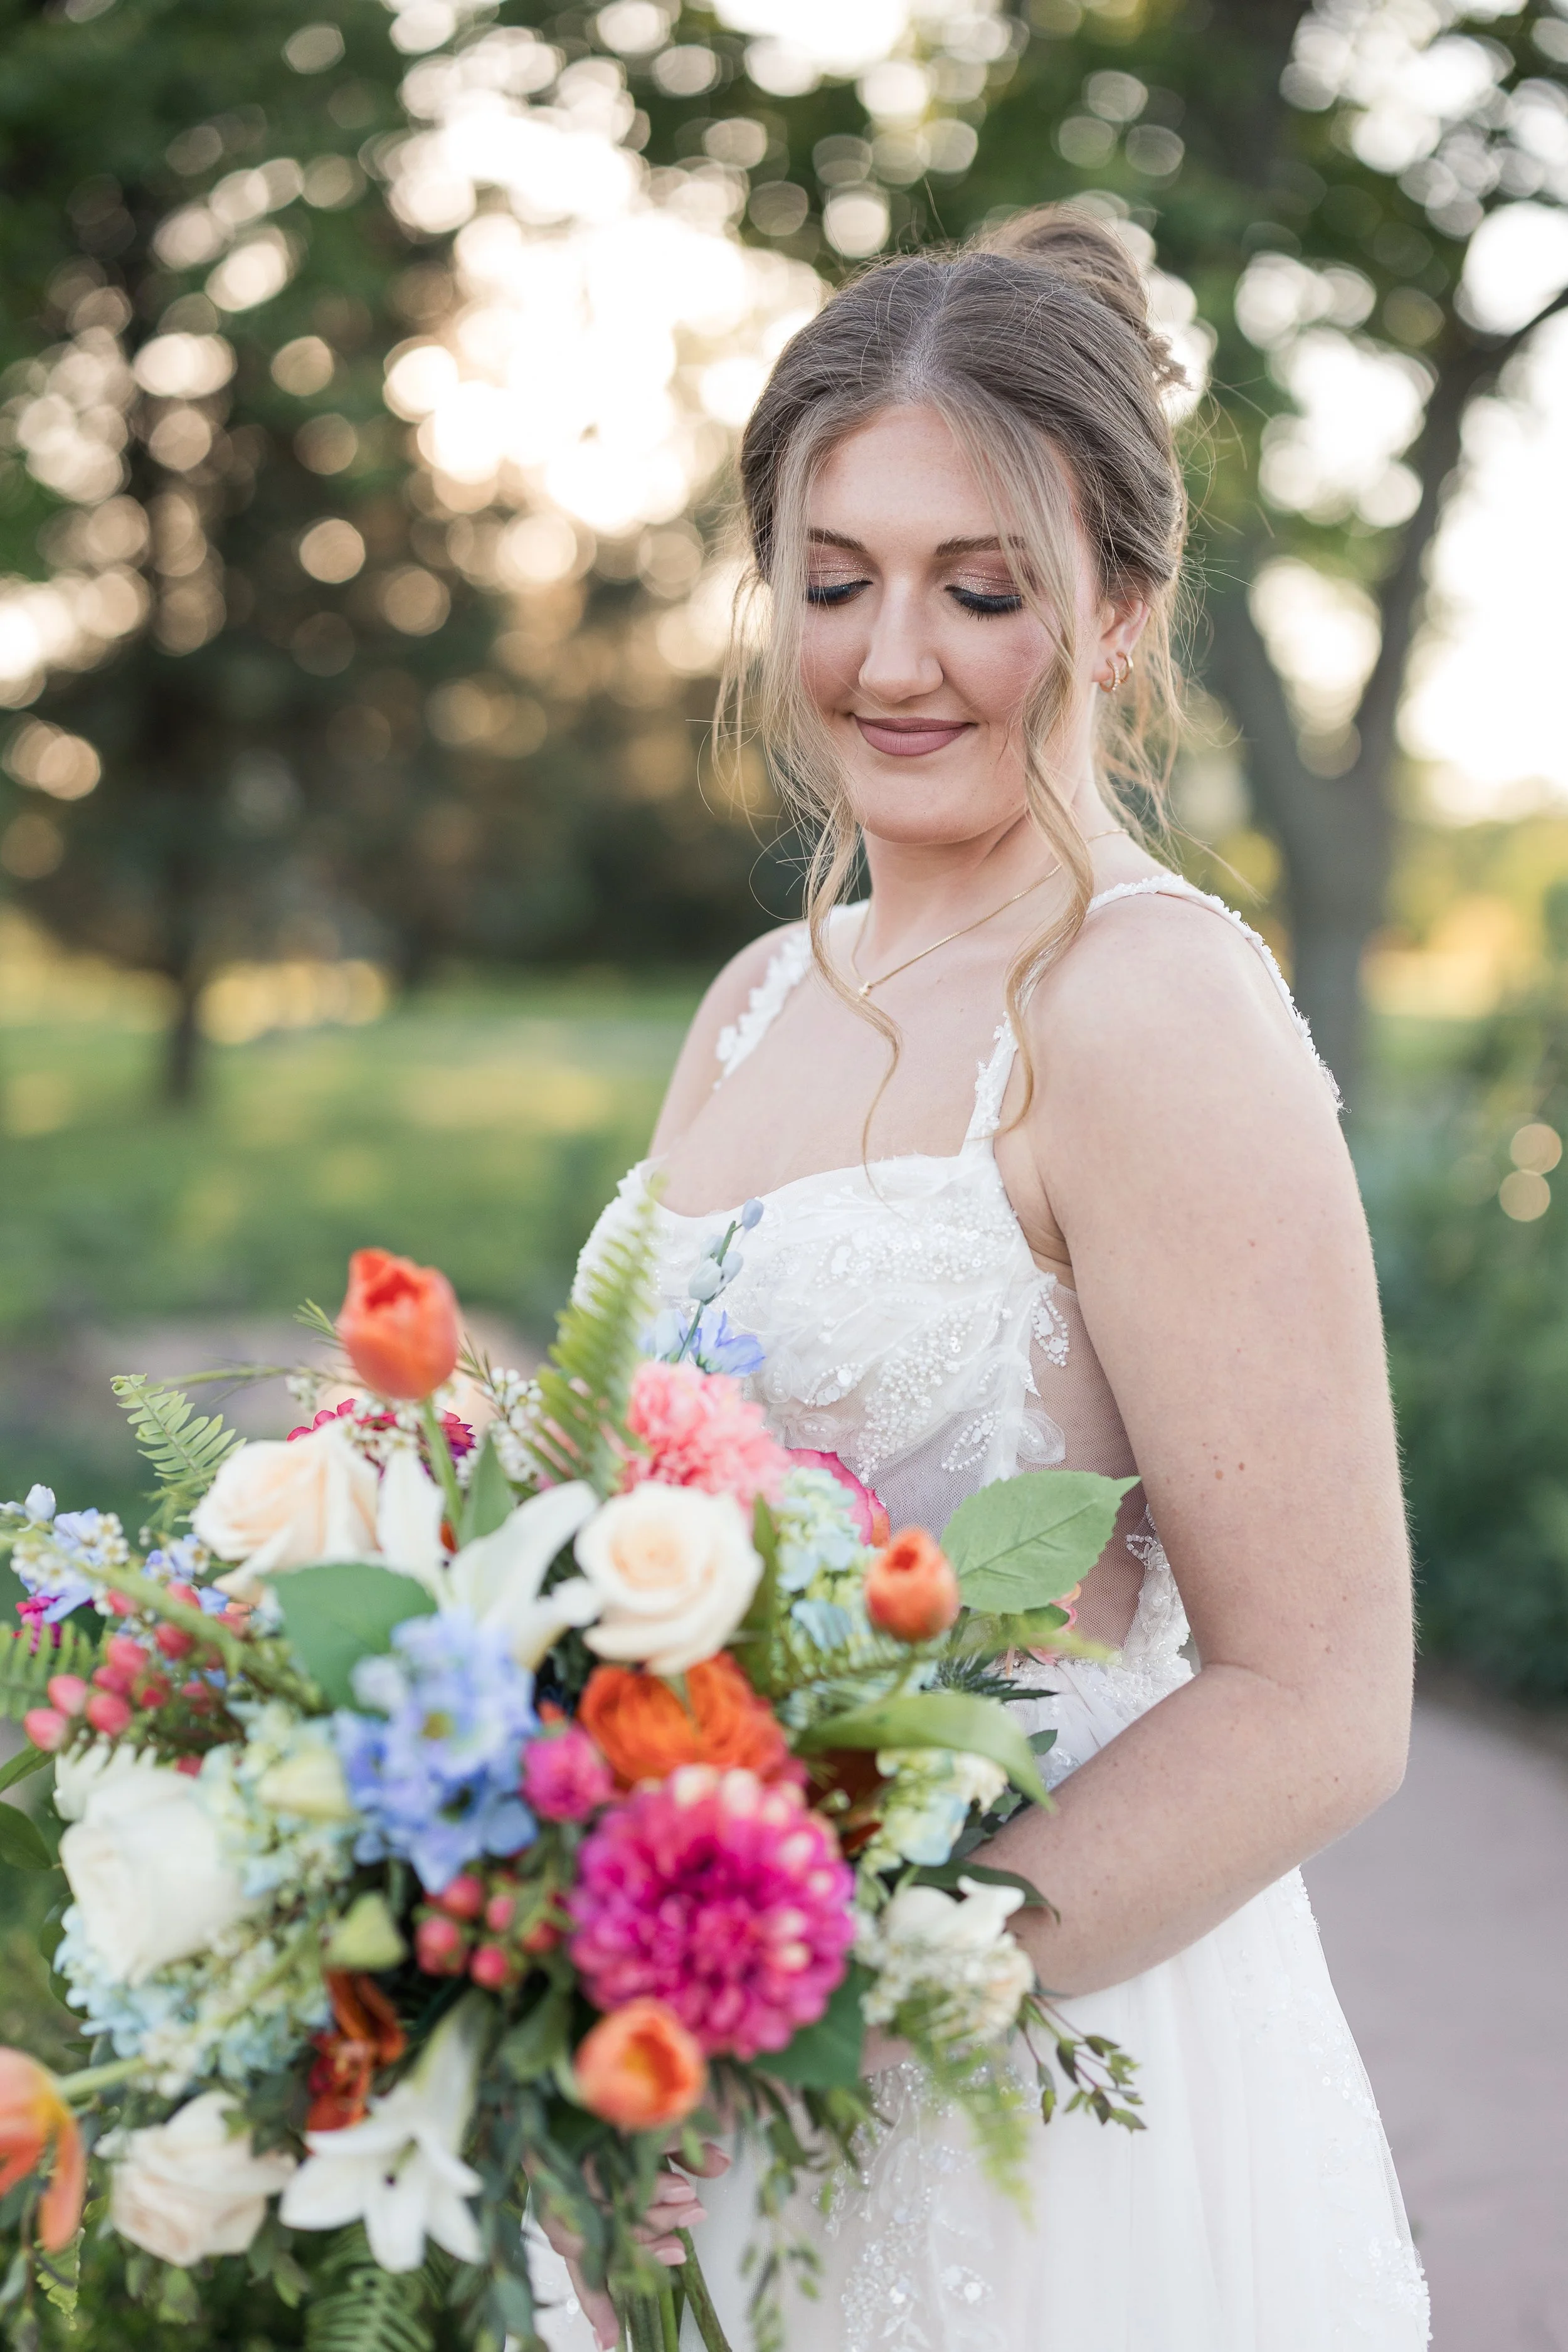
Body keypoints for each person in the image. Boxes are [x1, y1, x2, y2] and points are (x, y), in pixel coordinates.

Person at [536, 204, 1429, 2350]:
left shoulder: (1145, 1008)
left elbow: (1317, 1700)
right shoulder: (759, 994)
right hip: (672, 2084)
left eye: (980, 588)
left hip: (1014, 2104)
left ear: (1118, 608)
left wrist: (820, 2000)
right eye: (833, 579)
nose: (891, 657)